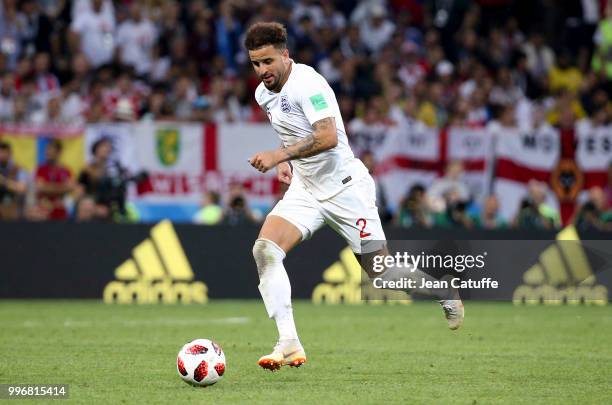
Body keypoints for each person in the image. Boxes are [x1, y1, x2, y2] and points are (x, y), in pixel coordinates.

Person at [244, 22, 464, 371]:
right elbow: (292, 130)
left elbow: (327, 136)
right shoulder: (263, 94)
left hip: (346, 189)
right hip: (306, 188)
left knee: (382, 273)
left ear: (285, 54)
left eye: (268, 61)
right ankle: (288, 341)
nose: (262, 70)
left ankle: (443, 291)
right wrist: (287, 161)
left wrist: (279, 156)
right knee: (265, 250)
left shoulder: (309, 84)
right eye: (255, 63)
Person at [34, 140, 73, 220]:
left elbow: (70, 188)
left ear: (58, 152)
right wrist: (62, 188)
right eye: (47, 150)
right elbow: (40, 188)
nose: (47, 153)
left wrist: (48, 187)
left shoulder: (66, 171)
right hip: (43, 210)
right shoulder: (41, 169)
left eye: (50, 150)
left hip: (60, 212)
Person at [0, 141, 27, 220]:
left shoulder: (17, 169)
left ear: (10, 153)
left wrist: (4, 182)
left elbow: (22, 188)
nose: (1, 155)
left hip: (12, 205)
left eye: (4, 151)